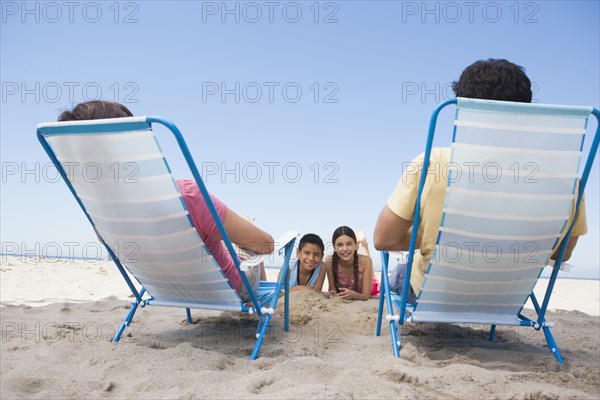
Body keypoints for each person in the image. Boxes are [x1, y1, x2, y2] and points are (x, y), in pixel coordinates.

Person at [373, 59, 588, 303]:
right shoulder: (567, 183)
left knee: (399, 273)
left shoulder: (434, 164)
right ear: (525, 112)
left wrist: (432, 236)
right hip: (505, 299)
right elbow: (563, 254)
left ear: (463, 109)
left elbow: (383, 239)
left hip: (433, 295)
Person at [58, 100, 275, 302]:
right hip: (231, 291)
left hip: (168, 292)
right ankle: (264, 310)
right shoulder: (187, 197)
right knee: (249, 240)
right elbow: (266, 245)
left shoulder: (101, 218)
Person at [325, 226, 374, 301]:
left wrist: (354, 295)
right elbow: (333, 291)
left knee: (368, 264)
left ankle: (364, 246)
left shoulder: (366, 261)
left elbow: (367, 296)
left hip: (371, 287)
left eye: (349, 244)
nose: (345, 249)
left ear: (355, 246)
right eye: (340, 245)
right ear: (334, 247)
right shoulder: (329, 262)